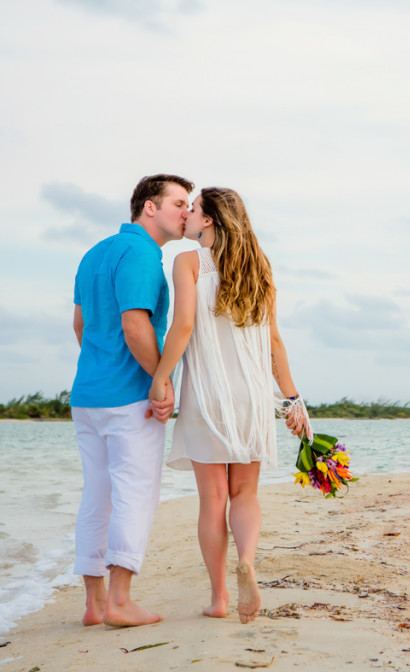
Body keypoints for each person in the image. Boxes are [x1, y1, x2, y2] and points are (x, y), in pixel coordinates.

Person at [148, 186, 311, 624]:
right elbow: (274, 340)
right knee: (245, 493)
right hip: (253, 397)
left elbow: (182, 325)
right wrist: (293, 399)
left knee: (212, 497)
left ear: (209, 222)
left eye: (194, 209)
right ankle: (249, 562)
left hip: (209, 394)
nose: (188, 215)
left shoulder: (188, 263)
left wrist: (161, 377)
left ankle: (220, 597)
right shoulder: (260, 269)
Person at [70, 173, 193, 627]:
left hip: (87, 396)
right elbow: (136, 325)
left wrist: (102, 368)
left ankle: (94, 603)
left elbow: (81, 325)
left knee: (96, 495)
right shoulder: (143, 253)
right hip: (128, 398)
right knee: (135, 495)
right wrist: (161, 379)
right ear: (149, 208)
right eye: (179, 203)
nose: (186, 212)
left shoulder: (94, 253)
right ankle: (120, 602)